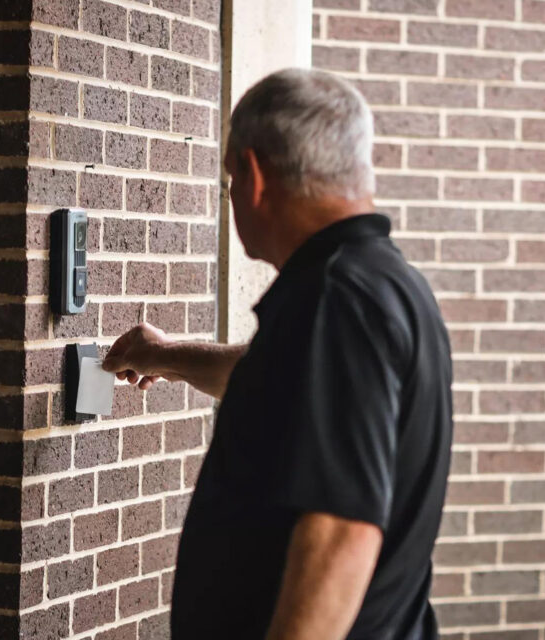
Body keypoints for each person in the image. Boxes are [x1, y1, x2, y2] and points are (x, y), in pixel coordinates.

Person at [102, 68, 453, 640]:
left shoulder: (336, 303)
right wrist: (168, 356)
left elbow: (342, 531)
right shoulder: (384, 287)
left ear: (253, 173)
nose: (232, 196)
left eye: (228, 181)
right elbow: (284, 387)